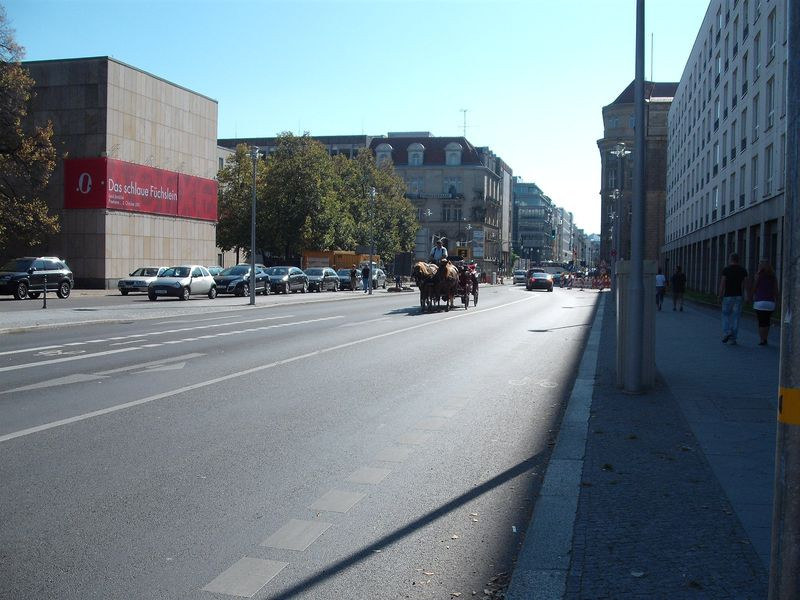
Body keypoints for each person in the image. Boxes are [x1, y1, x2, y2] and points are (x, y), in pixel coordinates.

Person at [718, 252, 749, 345]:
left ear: (730, 259)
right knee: (736, 317)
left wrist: (720, 295)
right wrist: (747, 296)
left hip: (728, 296)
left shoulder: (726, 270)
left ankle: (727, 332)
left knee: (725, 315)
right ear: (738, 260)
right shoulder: (743, 270)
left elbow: (722, 283)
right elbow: (746, 284)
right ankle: (733, 338)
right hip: (738, 296)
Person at [751, 259, 779, 346]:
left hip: (760, 302)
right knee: (767, 321)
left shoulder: (758, 275)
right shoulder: (773, 277)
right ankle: (766, 338)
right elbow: (776, 290)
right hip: (770, 302)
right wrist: (778, 301)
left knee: (761, 322)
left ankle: (762, 339)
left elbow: (754, 288)